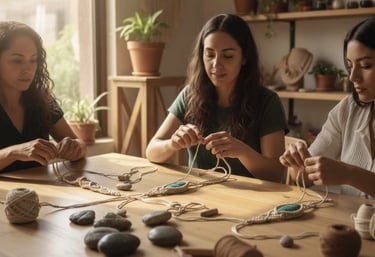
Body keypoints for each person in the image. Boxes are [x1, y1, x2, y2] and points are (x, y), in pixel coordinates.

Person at [146, 14, 288, 183]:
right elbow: (152, 152)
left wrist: (243, 152)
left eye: (227, 56)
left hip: (250, 200)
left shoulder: (267, 102)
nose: (216, 64)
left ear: (244, 58)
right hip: (198, 196)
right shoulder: (190, 94)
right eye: (209, 54)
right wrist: (172, 144)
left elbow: (276, 173)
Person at [279, 16, 375, 198]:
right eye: (349, 66)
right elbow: (303, 177)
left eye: (365, 65)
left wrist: (350, 174)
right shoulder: (347, 110)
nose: (353, 76)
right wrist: (297, 163)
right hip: (347, 225)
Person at [0, 21, 86, 172]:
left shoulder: (41, 99)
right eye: (17, 60)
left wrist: (75, 147)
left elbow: (79, 143)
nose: (27, 69)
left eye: (33, 60)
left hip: (43, 193)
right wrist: (12, 153)